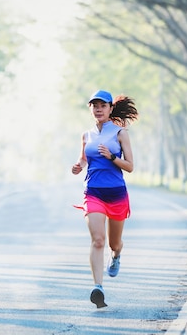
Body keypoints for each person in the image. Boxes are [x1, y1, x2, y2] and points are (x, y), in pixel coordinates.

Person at [71, 89, 138, 308]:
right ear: (90, 109)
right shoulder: (86, 135)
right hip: (94, 192)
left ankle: (116, 254)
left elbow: (130, 166)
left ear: (110, 108)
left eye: (102, 105)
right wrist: (78, 166)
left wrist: (112, 157)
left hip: (116, 193)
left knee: (113, 243)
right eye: (94, 105)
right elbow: (83, 159)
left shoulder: (120, 134)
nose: (98, 109)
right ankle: (98, 287)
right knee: (98, 239)